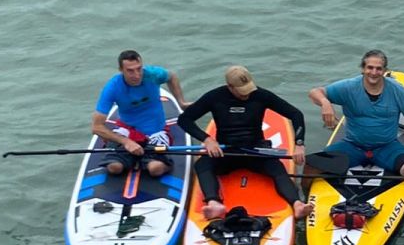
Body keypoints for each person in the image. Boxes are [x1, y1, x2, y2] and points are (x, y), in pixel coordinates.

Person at [306, 49, 404, 204]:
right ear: (363, 69)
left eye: (379, 68)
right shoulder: (348, 87)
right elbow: (315, 92)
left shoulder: (396, 90)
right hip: (352, 146)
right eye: (370, 68)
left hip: (386, 147)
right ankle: (304, 207)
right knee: (311, 167)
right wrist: (325, 103)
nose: (374, 72)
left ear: (384, 71)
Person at [178, 66, 309, 220]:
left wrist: (299, 144)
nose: (247, 94)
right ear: (230, 87)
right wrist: (207, 139)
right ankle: (214, 203)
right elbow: (184, 119)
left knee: (277, 168)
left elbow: (295, 114)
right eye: (242, 91)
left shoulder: (260, 95)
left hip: (255, 150)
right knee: (201, 165)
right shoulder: (214, 97)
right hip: (226, 152)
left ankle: (297, 204)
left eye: (248, 89)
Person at [92, 49, 190, 177]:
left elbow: (172, 77)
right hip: (127, 131)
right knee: (114, 168)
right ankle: (132, 159)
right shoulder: (112, 87)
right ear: (121, 70)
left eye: (139, 69)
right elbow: (96, 127)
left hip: (156, 131)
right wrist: (126, 142)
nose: (137, 75)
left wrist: (181, 102)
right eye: (130, 71)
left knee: (155, 169)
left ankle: (153, 162)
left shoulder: (153, 74)